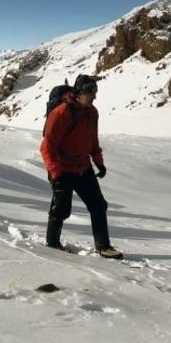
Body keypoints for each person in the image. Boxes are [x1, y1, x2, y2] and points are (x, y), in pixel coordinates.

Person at [40, 74, 122, 259]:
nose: (94, 96)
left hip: (83, 167)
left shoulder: (92, 112)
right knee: (62, 208)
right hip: (61, 168)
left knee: (98, 206)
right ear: (79, 93)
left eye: (95, 92)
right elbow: (47, 146)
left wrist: (98, 162)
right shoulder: (61, 113)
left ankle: (103, 246)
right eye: (90, 92)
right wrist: (55, 173)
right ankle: (52, 244)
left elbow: (92, 140)